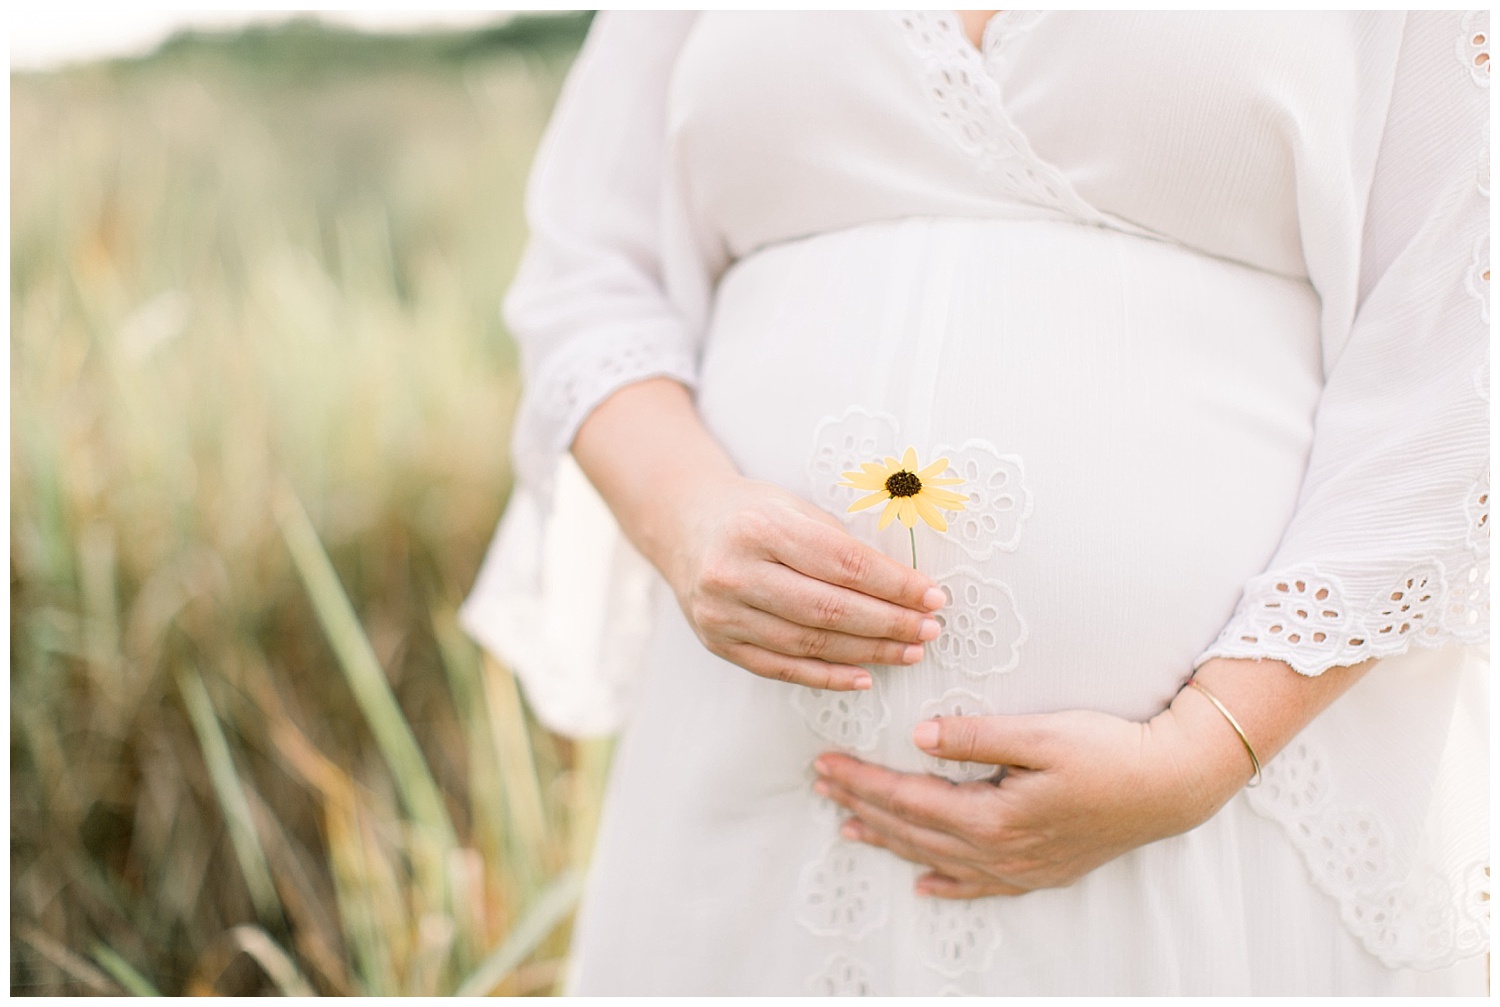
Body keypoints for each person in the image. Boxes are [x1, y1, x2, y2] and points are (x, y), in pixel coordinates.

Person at [461, 11, 1490, 995]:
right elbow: (590, 273)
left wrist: (1211, 743)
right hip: (752, 779)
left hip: (1224, 809)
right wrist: (682, 512)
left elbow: (1457, 333)